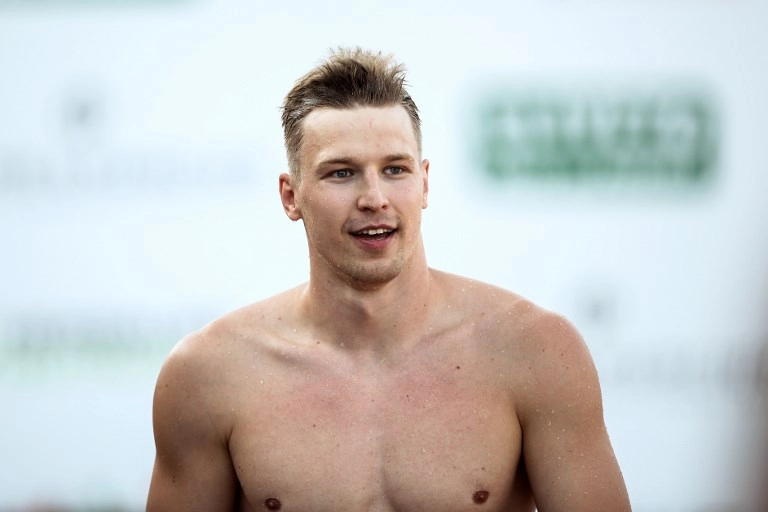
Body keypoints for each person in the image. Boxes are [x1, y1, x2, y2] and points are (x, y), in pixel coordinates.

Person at [146, 47, 632, 512]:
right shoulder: (208, 374)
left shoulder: (536, 351)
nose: (374, 197)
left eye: (395, 169)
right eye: (341, 174)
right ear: (290, 197)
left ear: (424, 182)